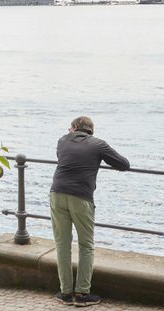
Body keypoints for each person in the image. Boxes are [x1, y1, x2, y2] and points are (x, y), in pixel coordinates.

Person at [50, 116, 130, 307]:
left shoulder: (62, 140)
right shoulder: (98, 145)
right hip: (81, 197)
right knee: (86, 245)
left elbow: (64, 157)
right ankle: (83, 294)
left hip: (57, 193)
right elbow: (124, 164)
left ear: (74, 128)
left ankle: (65, 293)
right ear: (91, 130)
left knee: (62, 244)